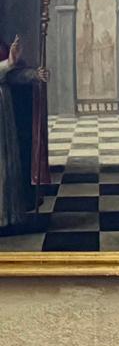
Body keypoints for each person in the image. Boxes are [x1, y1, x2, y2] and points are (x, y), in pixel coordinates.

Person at [0, 32, 48, 232]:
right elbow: (7, 67)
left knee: (6, 164)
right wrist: (9, 62)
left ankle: (6, 217)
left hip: (4, 111)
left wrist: (34, 75)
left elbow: (12, 75)